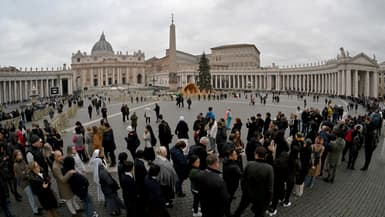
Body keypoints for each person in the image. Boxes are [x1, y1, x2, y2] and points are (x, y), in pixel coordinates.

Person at [235, 147, 273, 217]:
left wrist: (244, 190)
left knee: (240, 208)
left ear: (256, 154)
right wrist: (267, 202)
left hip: (247, 193)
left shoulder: (249, 164)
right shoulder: (269, 168)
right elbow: (269, 188)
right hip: (261, 197)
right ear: (265, 156)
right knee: (259, 214)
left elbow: (243, 179)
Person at [13, 150, 42, 216]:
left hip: (28, 181)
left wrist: (25, 171)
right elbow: (22, 176)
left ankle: (36, 208)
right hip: (24, 184)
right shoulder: (15, 165)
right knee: (30, 197)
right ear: (15, 157)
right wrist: (26, 172)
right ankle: (35, 211)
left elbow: (28, 168)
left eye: (20, 154)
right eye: (18, 155)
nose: (20, 156)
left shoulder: (23, 161)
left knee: (33, 194)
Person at [52, 151, 80, 216]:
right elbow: (62, 179)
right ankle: (73, 213)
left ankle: (77, 208)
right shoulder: (55, 167)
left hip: (69, 184)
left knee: (73, 197)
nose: (61, 157)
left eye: (61, 155)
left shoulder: (60, 160)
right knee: (68, 200)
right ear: (55, 157)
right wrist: (69, 173)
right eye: (58, 156)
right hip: (64, 186)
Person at [222, 149, 241, 217]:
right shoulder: (234, 167)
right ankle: (227, 213)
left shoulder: (225, 161)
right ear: (231, 156)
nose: (237, 156)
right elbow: (241, 174)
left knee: (228, 198)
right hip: (232, 185)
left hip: (226, 182)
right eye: (235, 155)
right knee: (228, 201)